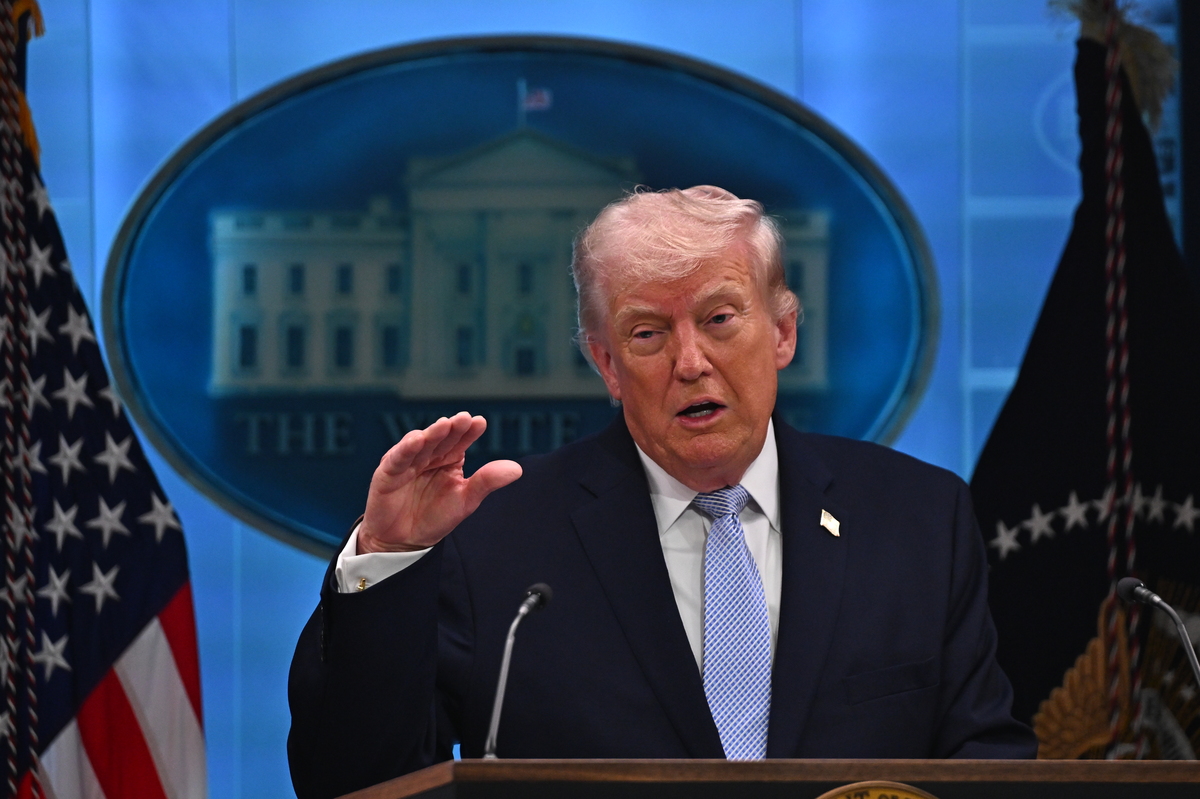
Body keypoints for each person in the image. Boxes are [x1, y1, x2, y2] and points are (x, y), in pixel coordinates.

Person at [288, 186, 1036, 799]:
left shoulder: (917, 521)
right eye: (648, 334)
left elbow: (988, 765)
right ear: (608, 366)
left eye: (719, 319)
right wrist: (388, 557)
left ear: (782, 332)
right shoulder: (497, 543)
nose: (690, 361)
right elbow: (356, 782)